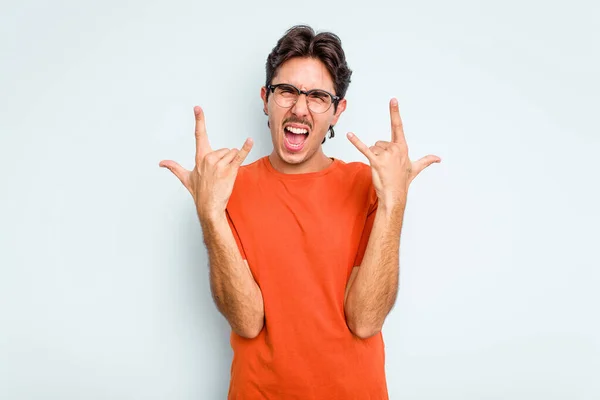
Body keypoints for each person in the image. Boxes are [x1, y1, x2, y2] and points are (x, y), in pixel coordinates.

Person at [159, 25, 440, 400]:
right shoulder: (227, 188)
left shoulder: (368, 186)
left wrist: (394, 202)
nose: (300, 108)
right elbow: (246, 321)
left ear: (338, 111)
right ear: (265, 99)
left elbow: (366, 319)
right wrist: (210, 213)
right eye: (286, 91)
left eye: (318, 96)